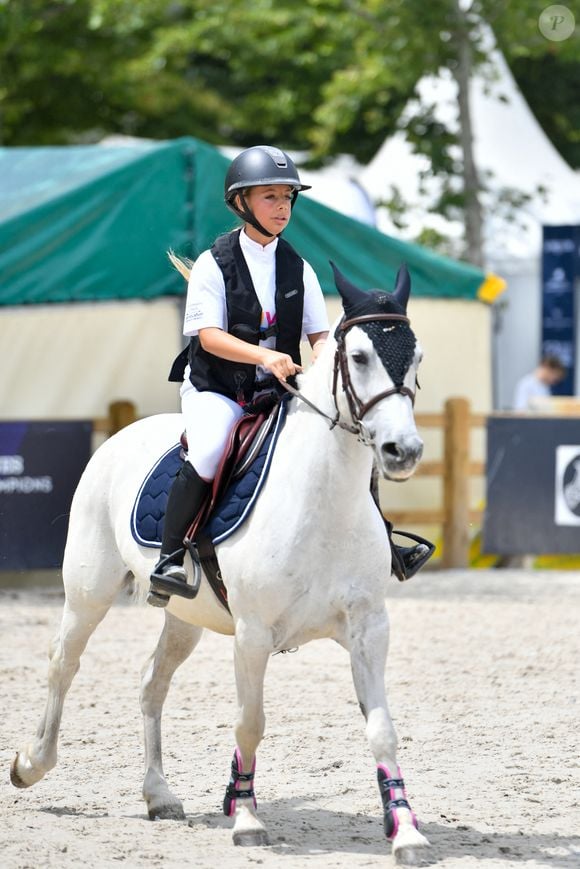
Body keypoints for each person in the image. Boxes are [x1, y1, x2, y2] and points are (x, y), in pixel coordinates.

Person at [148, 144, 429, 607]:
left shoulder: (298, 267)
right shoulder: (212, 265)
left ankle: (383, 543)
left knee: (347, 443)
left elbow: (320, 336)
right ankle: (172, 557)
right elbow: (209, 336)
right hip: (218, 390)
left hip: (277, 393)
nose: (282, 207)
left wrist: (324, 365)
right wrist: (264, 357)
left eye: (287, 198)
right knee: (212, 447)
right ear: (241, 204)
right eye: (270, 197)